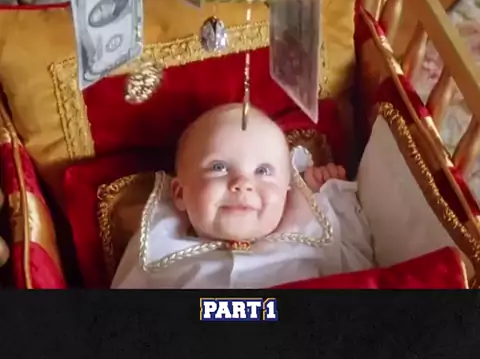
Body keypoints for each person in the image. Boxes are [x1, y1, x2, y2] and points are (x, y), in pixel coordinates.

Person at [111, 103, 375, 289]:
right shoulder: (157, 252)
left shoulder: (313, 237)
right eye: (219, 167)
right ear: (180, 193)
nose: (242, 183)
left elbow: (363, 267)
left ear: (287, 191)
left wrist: (332, 196)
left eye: (263, 171)